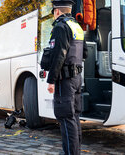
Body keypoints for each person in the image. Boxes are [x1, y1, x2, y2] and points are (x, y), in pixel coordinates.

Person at [47, 0, 88, 154]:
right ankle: (74, 151)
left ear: (57, 11)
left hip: (64, 80)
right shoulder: (77, 27)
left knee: (65, 118)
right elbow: (84, 53)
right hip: (77, 78)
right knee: (74, 117)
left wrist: (51, 80)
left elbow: (58, 56)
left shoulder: (60, 27)